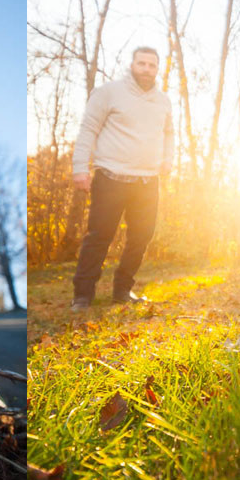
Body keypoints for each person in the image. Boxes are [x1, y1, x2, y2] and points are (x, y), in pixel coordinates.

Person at [70, 46, 173, 310]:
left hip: (148, 181)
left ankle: (122, 290)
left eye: (152, 65)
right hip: (111, 177)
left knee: (142, 236)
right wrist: (80, 167)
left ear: (157, 69)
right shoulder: (108, 93)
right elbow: (88, 129)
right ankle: (83, 295)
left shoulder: (163, 101)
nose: (147, 69)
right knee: (99, 236)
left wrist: (167, 159)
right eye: (142, 64)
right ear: (132, 65)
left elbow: (169, 133)